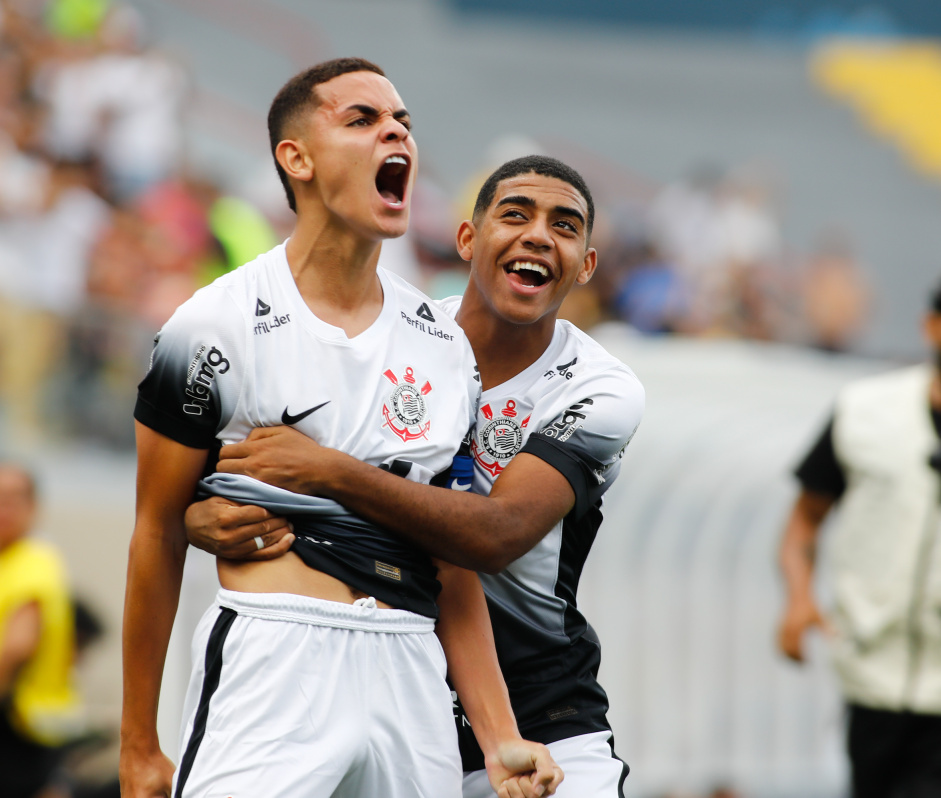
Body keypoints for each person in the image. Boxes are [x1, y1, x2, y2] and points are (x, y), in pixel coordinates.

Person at [120, 59, 562, 798]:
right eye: (362, 119)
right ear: (296, 159)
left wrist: (500, 735)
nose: (396, 133)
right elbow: (157, 531)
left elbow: (452, 562)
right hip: (274, 660)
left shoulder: (442, 345)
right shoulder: (211, 326)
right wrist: (138, 744)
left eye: (403, 123)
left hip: (410, 669)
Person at [186, 155, 646, 797]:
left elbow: (494, 535)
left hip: (544, 718)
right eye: (515, 215)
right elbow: (264, 464)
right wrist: (202, 515)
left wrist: (331, 473)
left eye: (564, 226)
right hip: (390, 691)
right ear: (467, 239)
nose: (539, 235)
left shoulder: (600, 388)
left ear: (586, 265)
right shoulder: (393, 337)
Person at [777, 285, 941, 798]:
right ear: (931, 326)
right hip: (870, 680)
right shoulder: (866, 410)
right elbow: (805, 520)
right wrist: (799, 600)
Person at [0, 462, 83, 798]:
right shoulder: (8, 560)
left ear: (33, 507)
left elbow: (17, 647)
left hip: (23, 726)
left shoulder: (34, 561)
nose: (4, 510)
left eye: (13, 500)